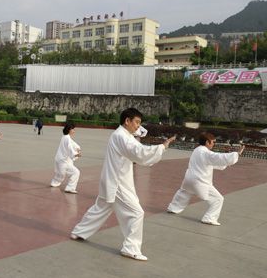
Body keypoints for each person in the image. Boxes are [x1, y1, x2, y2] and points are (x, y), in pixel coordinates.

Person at [70, 108, 175, 261]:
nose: (138, 126)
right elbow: (139, 152)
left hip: (112, 179)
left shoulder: (122, 134)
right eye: (136, 122)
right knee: (136, 213)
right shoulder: (122, 137)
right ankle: (130, 248)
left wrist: (140, 129)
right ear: (127, 121)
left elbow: (139, 134)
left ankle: (78, 232)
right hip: (117, 182)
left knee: (101, 208)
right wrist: (162, 147)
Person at [167, 132, 244, 226]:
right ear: (207, 142)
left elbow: (212, 162)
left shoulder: (197, 150)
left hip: (189, 179)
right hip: (200, 181)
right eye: (213, 142)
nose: (213, 144)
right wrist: (236, 154)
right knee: (218, 199)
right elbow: (217, 157)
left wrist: (227, 161)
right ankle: (209, 218)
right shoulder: (205, 152)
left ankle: (173, 208)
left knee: (184, 193)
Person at [50, 121, 82, 193]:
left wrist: (78, 148)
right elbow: (69, 147)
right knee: (76, 172)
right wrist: (76, 154)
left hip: (59, 160)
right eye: (73, 129)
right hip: (63, 161)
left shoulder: (65, 137)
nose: (74, 131)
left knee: (60, 174)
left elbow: (73, 143)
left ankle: (54, 183)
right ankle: (70, 188)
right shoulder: (67, 138)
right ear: (69, 129)